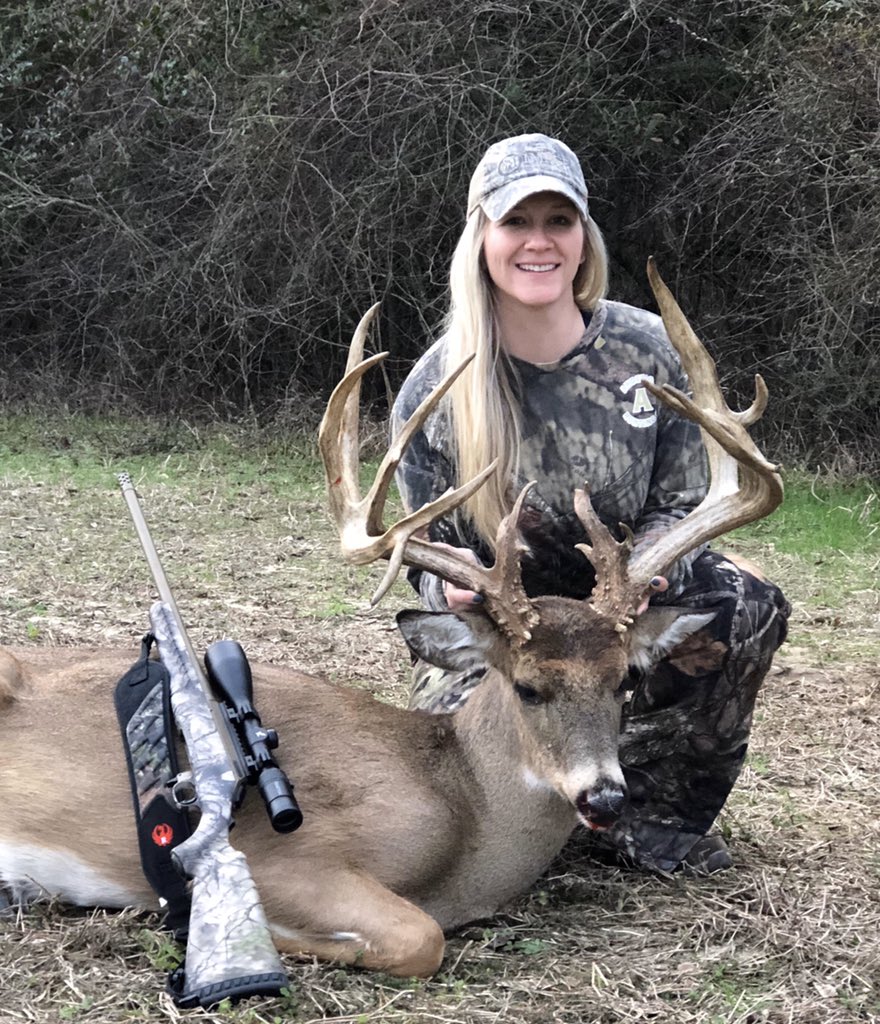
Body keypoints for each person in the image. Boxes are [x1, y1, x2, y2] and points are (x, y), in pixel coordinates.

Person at [390, 133, 790, 874]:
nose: (538, 243)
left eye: (558, 222)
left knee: (748, 604)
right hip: (511, 632)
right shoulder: (437, 388)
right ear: (482, 235)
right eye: (516, 223)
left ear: (583, 239)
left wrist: (655, 563)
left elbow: (683, 498)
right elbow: (419, 546)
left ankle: (652, 819)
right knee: (448, 780)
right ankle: (565, 797)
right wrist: (443, 586)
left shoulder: (645, 350)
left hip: (620, 614)